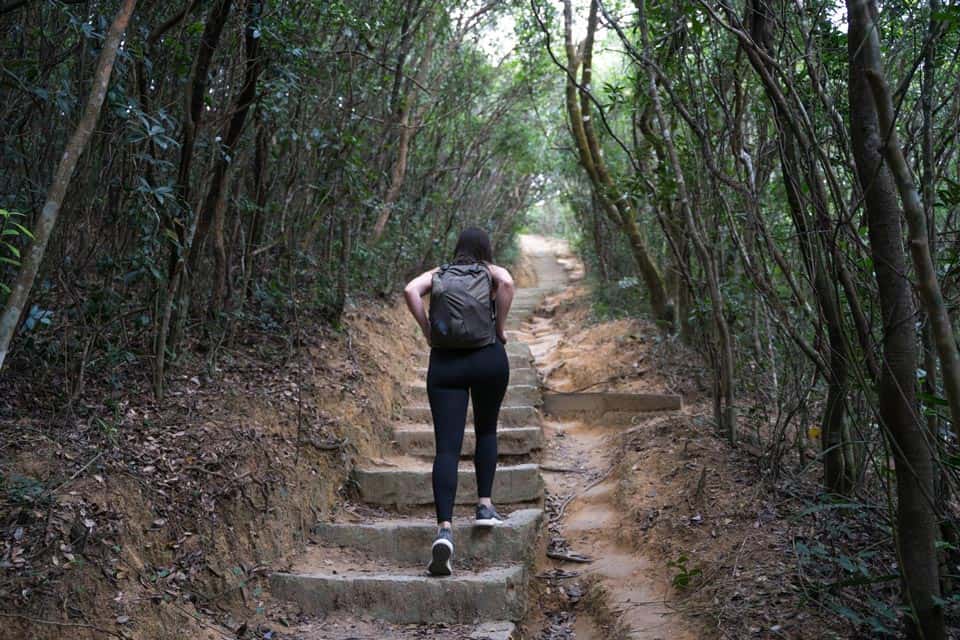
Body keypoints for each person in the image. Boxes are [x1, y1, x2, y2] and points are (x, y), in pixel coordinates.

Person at [403, 227, 515, 576]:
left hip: (445, 364)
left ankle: (445, 530)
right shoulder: (489, 272)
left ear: (457, 249)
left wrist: (428, 332)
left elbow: (410, 290)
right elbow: (508, 283)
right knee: (485, 431)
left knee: (446, 450)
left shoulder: (439, 274)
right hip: (488, 359)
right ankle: (484, 506)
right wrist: (500, 330)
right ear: (486, 249)